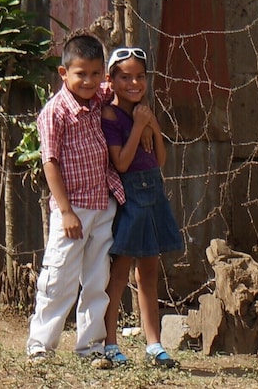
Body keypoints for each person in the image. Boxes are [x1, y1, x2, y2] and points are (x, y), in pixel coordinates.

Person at [26, 32, 126, 370]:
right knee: (59, 278)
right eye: (80, 73)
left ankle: (91, 346)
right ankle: (41, 345)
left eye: (96, 73)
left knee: (97, 279)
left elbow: (119, 85)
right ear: (63, 73)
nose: (88, 81)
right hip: (72, 210)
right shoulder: (55, 113)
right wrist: (66, 211)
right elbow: (50, 162)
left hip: (101, 205)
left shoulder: (98, 99)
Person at [100, 47, 184, 369]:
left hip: (154, 192)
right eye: (125, 77)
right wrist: (138, 126)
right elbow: (121, 163)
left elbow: (160, 159)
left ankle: (154, 344)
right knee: (120, 272)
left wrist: (152, 126)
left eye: (140, 77)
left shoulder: (144, 112)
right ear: (111, 80)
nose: (133, 83)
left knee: (149, 272)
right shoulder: (111, 116)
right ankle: (110, 343)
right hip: (130, 197)